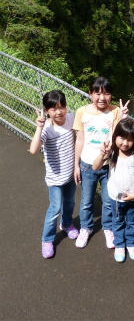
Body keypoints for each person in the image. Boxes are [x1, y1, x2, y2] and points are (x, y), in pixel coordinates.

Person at [73, 76, 130, 249]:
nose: (102, 98)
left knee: (108, 200)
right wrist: (76, 165)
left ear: (111, 95)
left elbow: (118, 136)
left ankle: (108, 228)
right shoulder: (82, 112)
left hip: (108, 165)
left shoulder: (114, 112)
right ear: (90, 94)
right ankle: (86, 228)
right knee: (86, 201)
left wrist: (123, 117)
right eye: (97, 93)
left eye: (106, 93)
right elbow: (80, 140)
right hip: (87, 164)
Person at [30, 90, 78, 259]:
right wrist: (39, 127)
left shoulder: (71, 118)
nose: (59, 112)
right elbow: (34, 150)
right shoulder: (47, 128)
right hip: (55, 179)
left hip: (70, 174)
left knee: (70, 202)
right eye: (53, 108)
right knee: (55, 208)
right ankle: (47, 239)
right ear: (47, 111)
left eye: (62, 107)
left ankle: (66, 224)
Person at [93, 117, 134, 262]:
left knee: (131, 221)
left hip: (133, 196)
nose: (125, 143)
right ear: (115, 136)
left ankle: (131, 243)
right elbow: (95, 167)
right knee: (117, 222)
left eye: (129, 140)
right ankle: (119, 245)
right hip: (116, 197)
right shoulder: (112, 151)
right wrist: (102, 155)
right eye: (122, 138)